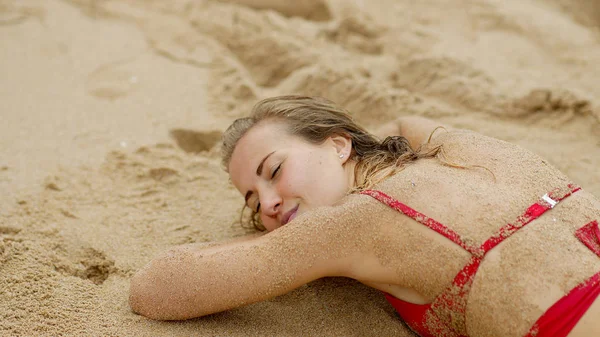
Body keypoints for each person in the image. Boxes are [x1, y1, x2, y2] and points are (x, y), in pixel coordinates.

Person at [129, 95, 600, 337]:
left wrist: (277, 242)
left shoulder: (351, 225)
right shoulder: (465, 148)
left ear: (338, 145)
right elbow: (403, 124)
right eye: (253, 202)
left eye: (273, 170)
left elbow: (154, 288)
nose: (268, 203)